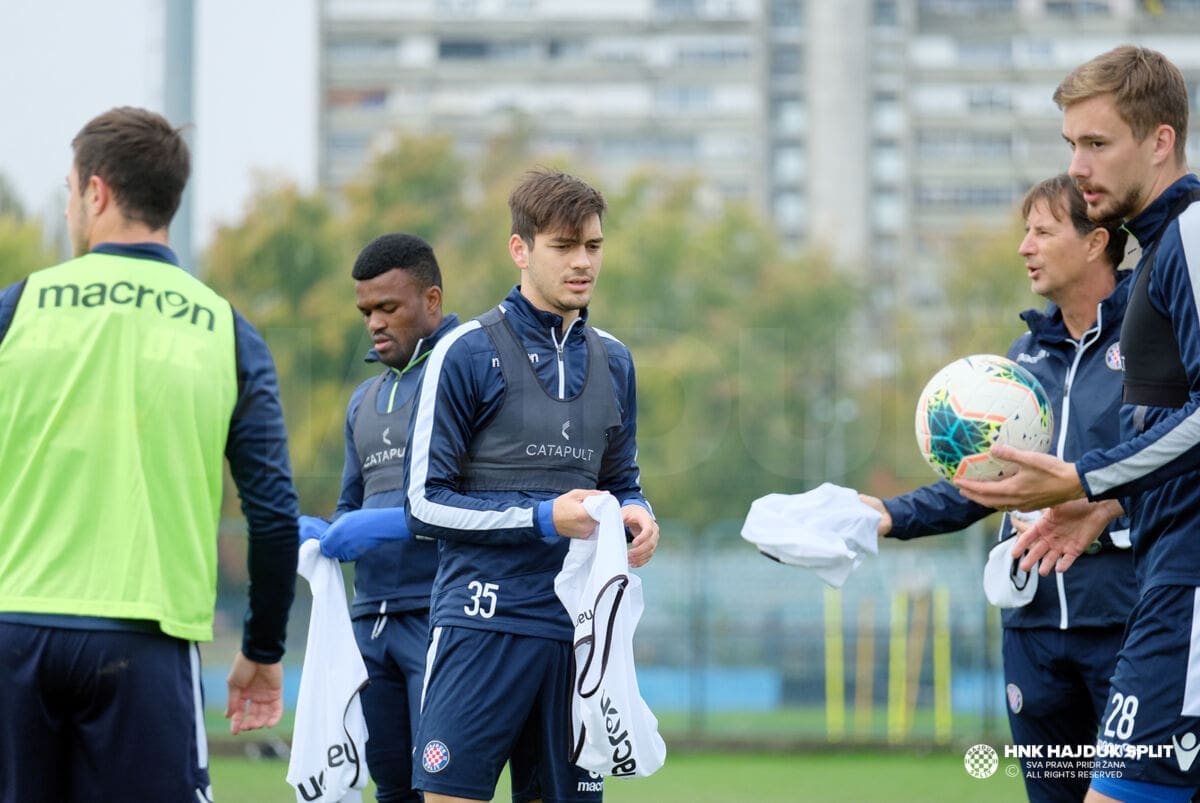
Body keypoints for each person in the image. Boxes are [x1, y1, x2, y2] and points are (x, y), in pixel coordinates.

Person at [0, 107, 300, 802]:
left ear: (95, 191)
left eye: (69, 191)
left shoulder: (17, 311)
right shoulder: (225, 329)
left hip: (14, 631)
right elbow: (273, 515)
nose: (69, 208)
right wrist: (261, 649)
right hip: (146, 643)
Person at [956, 46, 1200, 802]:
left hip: (1186, 590)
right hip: (1166, 574)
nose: (1079, 166)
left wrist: (1085, 477)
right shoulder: (1161, 248)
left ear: (1160, 141)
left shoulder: (1190, 237)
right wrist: (1112, 500)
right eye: (1071, 144)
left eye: (1097, 143)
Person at [861, 174, 1131, 802]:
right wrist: (888, 514)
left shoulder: (1152, 343)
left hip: (1127, 620)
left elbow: (1168, 466)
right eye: (1024, 233)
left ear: (1095, 242)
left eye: (1042, 232)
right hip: (1031, 629)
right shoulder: (1021, 360)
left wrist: (1104, 507)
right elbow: (989, 484)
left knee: (1140, 792)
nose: (1024, 247)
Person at [403, 167, 659, 803]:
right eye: (564, 246)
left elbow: (620, 480)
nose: (583, 262)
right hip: (481, 625)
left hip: (578, 636)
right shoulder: (464, 352)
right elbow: (424, 504)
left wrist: (637, 512)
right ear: (520, 249)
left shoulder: (615, 360)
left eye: (593, 246)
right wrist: (543, 518)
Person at [301, 232, 460, 803]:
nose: (374, 323)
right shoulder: (362, 400)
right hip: (369, 620)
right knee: (389, 785)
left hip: (440, 612)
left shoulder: (464, 373)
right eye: (366, 311)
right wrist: (326, 533)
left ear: (432, 300)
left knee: (441, 785)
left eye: (388, 307)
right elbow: (351, 503)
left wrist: (388, 524)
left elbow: (476, 499)